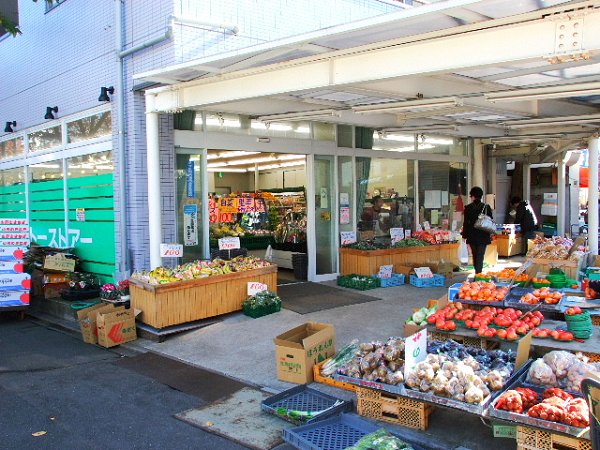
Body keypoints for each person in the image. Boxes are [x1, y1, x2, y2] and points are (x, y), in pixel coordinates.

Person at [461, 186, 493, 274]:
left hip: (472, 235)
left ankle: (477, 272)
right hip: (483, 235)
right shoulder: (486, 207)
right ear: (481, 196)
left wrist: (464, 236)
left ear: (473, 196)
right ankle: (479, 273)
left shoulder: (468, 208)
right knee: (480, 255)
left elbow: (466, 223)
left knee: (475, 255)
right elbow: (490, 221)